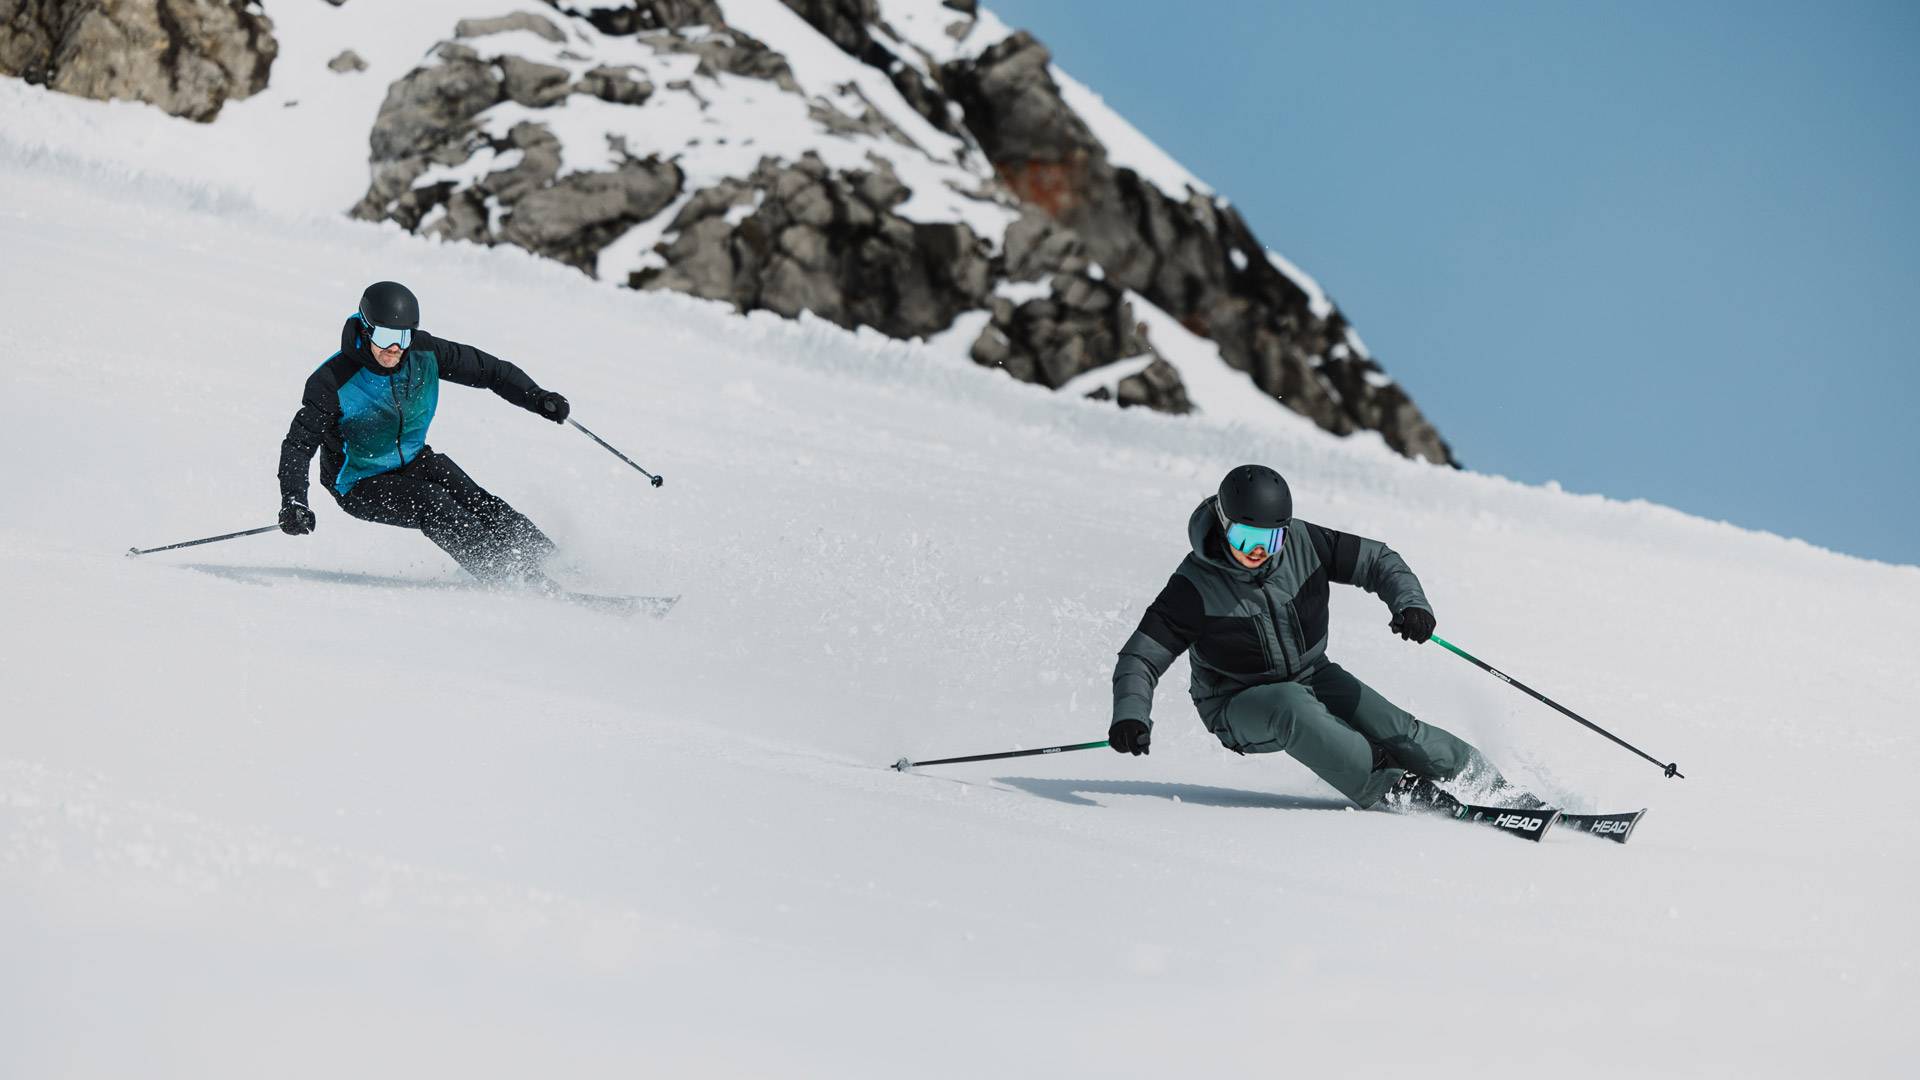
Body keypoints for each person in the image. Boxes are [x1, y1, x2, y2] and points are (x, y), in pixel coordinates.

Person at [1109, 464, 1515, 811]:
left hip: (1311, 673)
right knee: (1292, 707)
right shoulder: (1193, 588)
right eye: (1243, 538)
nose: (1257, 552)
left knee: (1396, 728)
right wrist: (1130, 714)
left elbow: (1377, 560)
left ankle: (1499, 793)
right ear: (1223, 523)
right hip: (1234, 702)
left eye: (1269, 540)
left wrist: (1410, 605)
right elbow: (1141, 659)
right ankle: (1395, 788)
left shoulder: (1305, 543)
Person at [277, 281, 571, 583]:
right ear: (365, 330)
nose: (395, 347)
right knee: (432, 502)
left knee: (477, 501)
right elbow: (299, 445)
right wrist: (293, 500)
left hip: (414, 460)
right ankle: (513, 577)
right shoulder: (332, 382)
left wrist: (536, 397)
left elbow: (491, 371)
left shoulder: (423, 353)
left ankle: (556, 565)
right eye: (386, 336)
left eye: (403, 336)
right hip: (358, 482)